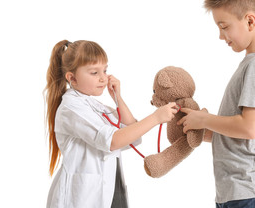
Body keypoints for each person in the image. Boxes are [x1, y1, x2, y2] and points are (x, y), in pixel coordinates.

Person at [178, 0, 255, 208]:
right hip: (243, 190)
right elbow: (247, 134)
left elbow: (250, 127)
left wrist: (205, 118)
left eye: (224, 26)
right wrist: (205, 129)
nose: (220, 36)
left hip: (251, 189)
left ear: (250, 21)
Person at [44, 40, 178, 208]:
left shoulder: (96, 107)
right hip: (83, 198)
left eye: (105, 70)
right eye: (94, 72)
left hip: (112, 192)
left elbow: (132, 135)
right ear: (72, 78)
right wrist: (156, 118)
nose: (103, 78)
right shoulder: (71, 108)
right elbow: (113, 141)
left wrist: (117, 98)